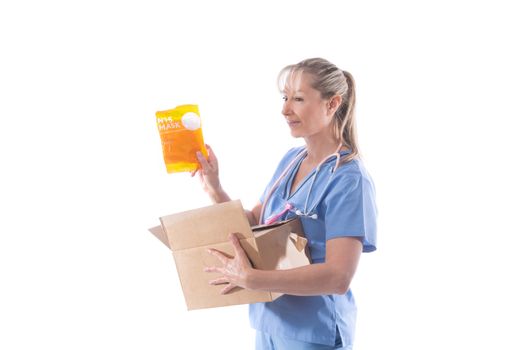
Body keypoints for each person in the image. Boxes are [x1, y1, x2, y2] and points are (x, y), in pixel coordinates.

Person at [191, 58, 377, 350]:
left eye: (299, 99)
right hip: (269, 324)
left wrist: (252, 278)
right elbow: (256, 223)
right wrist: (214, 187)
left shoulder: (349, 179)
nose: (285, 109)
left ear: (332, 104)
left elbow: (338, 277)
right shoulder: (291, 161)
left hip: (313, 333)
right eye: (285, 97)